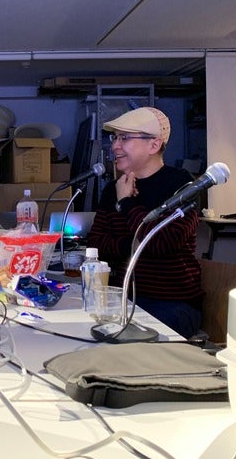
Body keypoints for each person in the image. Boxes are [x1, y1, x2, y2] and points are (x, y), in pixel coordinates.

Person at [87, 107, 203, 338]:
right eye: (115, 138)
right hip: (121, 299)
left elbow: (163, 243)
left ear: (154, 145)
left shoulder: (181, 185)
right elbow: (96, 245)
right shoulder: (112, 189)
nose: (115, 146)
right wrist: (136, 244)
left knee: (121, 341)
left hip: (171, 304)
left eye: (124, 138)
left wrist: (126, 203)